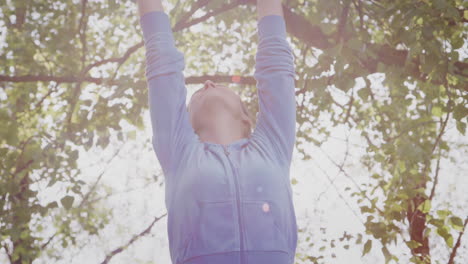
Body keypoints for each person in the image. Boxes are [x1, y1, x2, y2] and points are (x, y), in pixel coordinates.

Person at [136, 0, 297, 263]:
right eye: (197, 92)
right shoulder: (179, 152)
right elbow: (161, 61)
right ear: (185, 123)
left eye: (219, 85)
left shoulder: (272, 146)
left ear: (247, 117)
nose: (208, 82)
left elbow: (276, 67)